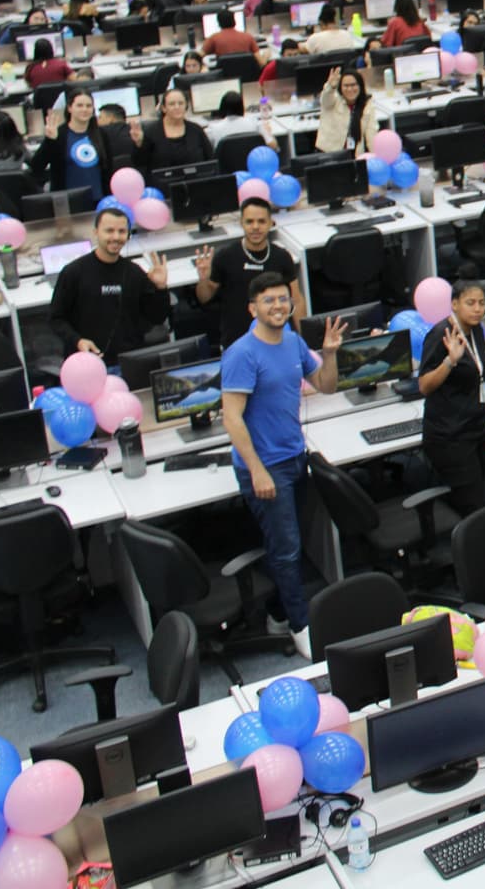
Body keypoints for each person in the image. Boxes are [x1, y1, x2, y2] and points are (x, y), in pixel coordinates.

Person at [221, 272, 345, 658]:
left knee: (292, 545)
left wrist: (329, 354)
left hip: (294, 456)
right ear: (252, 308)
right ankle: (298, 625)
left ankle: (278, 612)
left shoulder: (291, 341)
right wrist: (257, 469)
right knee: (287, 549)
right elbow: (232, 418)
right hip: (265, 465)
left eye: (282, 300)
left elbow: (325, 386)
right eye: (268, 301)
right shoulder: (242, 354)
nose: (277, 306)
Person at [417, 277, 485, 513]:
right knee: (473, 504)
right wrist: (449, 362)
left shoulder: (475, 331)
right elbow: (424, 385)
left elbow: (478, 376)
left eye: (482, 303)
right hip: (450, 435)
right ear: (454, 304)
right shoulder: (440, 335)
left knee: (482, 493)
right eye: (470, 302)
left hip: (476, 427)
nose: (477, 309)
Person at [50, 207, 170, 362]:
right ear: (95, 232)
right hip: (88, 362)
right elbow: (56, 319)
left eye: (122, 231)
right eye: (109, 231)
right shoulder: (74, 272)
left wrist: (161, 288)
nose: (116, 237)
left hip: (129, 360)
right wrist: (77, 341)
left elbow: (157, 318)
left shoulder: (135, 272)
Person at [194, 198, 305, 348]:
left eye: (261, 221)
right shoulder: (225, 257)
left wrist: (304, 341)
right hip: (236, 343)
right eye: (249, 221)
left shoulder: (282, 257)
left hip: (276, 340)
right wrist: (203, 279)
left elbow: (296, 300)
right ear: (241, 223)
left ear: (271, 223)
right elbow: (204, 298)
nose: (255, 227)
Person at [30, 87, 111, 198]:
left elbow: (108, 168)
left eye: (88, 106)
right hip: (68, 200)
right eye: (79, 105)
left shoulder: (101, 134)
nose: (84, 109)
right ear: (69, 108)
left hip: (98, 198)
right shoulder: (59, 134)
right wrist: (50, 141)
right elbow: (36, 167)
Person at [131, 85, 215, 172]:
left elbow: (210, 161)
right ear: (163, 108)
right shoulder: (150, 132)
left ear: (186, 106)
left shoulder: (196, 130)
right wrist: (139, 144)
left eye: (181, 103)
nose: (177, 107)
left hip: (194, 181)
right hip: (163, 183)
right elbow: (139, 163)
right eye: (172, 104)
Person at [315, 67, 378, 154]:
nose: (350, 89)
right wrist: (330, 87)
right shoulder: (334, 100)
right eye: (346, 86)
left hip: (355, 154)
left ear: (360, 86)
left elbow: (372, 134)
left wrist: (377, 157)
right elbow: (325, 100)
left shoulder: (367, 105)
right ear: (340, 87)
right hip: (329, 154)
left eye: (353, 85)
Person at [205, 92, 273, 147]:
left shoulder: (214, 129)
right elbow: (273, 146)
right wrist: (268, 133)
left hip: (227, 164)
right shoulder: (255, 124)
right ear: (242, 108)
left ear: (222, 109)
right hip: (248, 163)